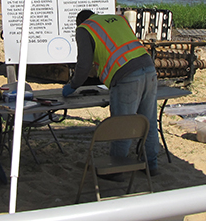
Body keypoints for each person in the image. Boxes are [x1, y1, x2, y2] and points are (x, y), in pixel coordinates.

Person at [63, 10, 159, 178]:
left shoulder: (84, 29)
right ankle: (151, 165)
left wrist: (73, 85)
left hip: (127, 76)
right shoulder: (118, 19)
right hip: (149, 68)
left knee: (122, 125)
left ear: (80, 22)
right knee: (149, 120)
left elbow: (84, 65)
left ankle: (116, 170)